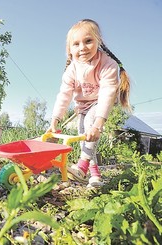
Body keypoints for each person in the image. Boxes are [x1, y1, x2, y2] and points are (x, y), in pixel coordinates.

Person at [47, 19, 131, 188]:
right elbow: (64, 94)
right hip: (82, 107)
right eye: (76, 44)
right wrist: (55, 119)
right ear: (69, 50)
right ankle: (95, 176)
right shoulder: (72, 69)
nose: (82, 48)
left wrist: (99, 124)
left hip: (100, 104)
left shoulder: (108, 64)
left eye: (88, 41)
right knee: (84, 140)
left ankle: (82, 167)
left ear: (98, 41)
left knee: (89, 125)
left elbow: (107, 93)